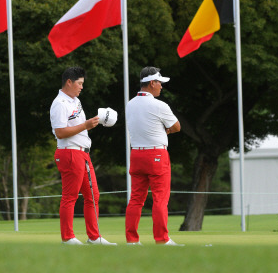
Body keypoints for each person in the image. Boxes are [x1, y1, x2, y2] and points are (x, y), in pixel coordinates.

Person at [50, 66, 116, 245]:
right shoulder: (60, 104)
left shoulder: (75, 101)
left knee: (93, 195)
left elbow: (77, 126)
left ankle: (94, 237)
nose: (81, 87)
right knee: (70, 196)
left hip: (82, 154)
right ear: (69, 82)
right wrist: (86, 126)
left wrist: (93, 122)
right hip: (69, 152)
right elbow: (60, 132)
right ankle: (68, 237)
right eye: (79, 83)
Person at [125, 66, 182, 246]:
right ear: (151, 83)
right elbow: (177, 127)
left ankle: (132, 240)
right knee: (160, 198)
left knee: (135, 199)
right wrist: (164, 130)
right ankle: (162, 239)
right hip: (156, 154)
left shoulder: (130, 103)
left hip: (136, 154)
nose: (161, 86)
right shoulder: (159, 105)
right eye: (159, 83)